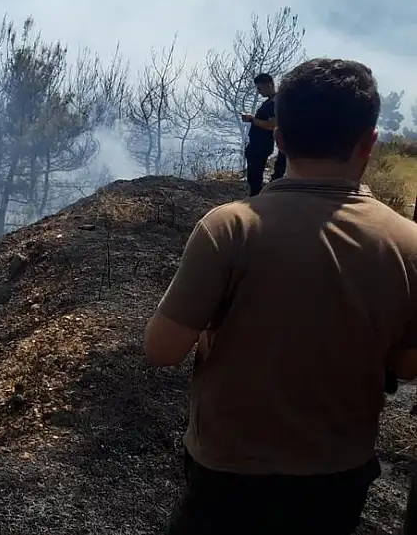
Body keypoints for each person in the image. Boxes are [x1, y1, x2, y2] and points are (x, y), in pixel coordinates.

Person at [144, 57, 417, 535]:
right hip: (337, 477)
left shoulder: (230, 227)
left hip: (229, 472)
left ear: (281, 138)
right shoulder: (408, 243)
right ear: (369, 142)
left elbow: (161, 349)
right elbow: (410, 366)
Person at [240, 73, 287, 196]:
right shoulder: (270, 102)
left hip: (261, 145)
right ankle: (256, 196)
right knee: (253, 174)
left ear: (269, 85)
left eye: (260, 88)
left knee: (256, 174)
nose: (259, 92)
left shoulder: (274, 103)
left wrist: (252, 119)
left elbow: (272, 124)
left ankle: (256, 198)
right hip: (258, 144)